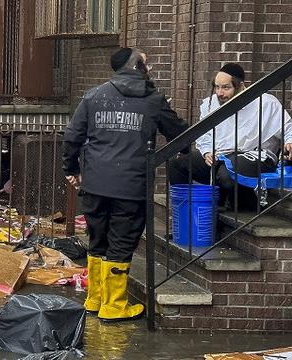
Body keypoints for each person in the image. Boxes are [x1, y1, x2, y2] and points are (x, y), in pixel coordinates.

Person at [62, 48, 188, 322]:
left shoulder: (93, 96)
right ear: (137, 65)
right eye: (146, 62)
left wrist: (71, 170)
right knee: (122, 242)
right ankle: (115, 305)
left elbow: (72, 137)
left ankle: (95, 299)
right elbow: (180, 134)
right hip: (132, 185)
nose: (150, 68)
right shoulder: (153, 100)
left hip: (95, 184)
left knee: (98, 241)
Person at [169, 63, 292, 209]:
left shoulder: (266, 103)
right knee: (178, 166)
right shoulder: (212, 103)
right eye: (217, 86)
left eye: (226, 87)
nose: (220, 93)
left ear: (241, 86)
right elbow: (204, 133)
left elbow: (287, 128)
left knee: (226, 174)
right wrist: (207, 151)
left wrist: (289, 142)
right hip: (220, 155)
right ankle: (188, 212)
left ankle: (243, 203)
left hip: (256, 156)